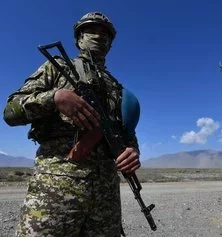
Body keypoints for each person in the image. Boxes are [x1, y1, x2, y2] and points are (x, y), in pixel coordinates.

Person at [3, 12, 140, 237]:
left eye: (105, 33)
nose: (99, 36)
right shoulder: (56, 67)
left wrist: (132, 152)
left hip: (105, 196)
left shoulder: (117, 88)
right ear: (78, 39)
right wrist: (54, 98)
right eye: (91, 30)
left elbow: (126, 134)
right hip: (57, 187)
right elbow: (10, 111)